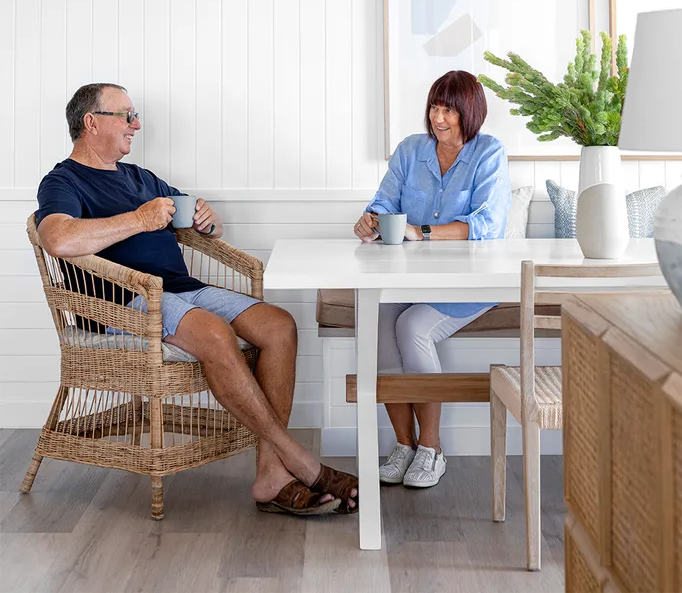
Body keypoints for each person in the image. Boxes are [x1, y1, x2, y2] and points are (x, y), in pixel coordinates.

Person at [36, 82, 357, 518]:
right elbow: (55, 237)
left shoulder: (141, 177)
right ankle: (300, 462)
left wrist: (207, 219)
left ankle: (270, 474)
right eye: (126, 115)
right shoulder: (63, 181)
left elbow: (189, 218)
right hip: (127, 303)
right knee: (214, 332)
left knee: (279, 326)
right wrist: (137, 219)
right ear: (91, 123)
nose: (137, 124)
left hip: (181, 289)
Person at [353, 70, 510, 490]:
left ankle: (431, 449)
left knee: (413, 325)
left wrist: (420, 233)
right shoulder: (410, 150)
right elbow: (384, 201)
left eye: (450, 110)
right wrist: (370, 219)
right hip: (410, 279)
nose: (439, 118)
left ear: (469, 113)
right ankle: (403, 446)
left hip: (472, 282)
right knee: (381, 321)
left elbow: (488, 225)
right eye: (434, 108)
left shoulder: (489, 153)